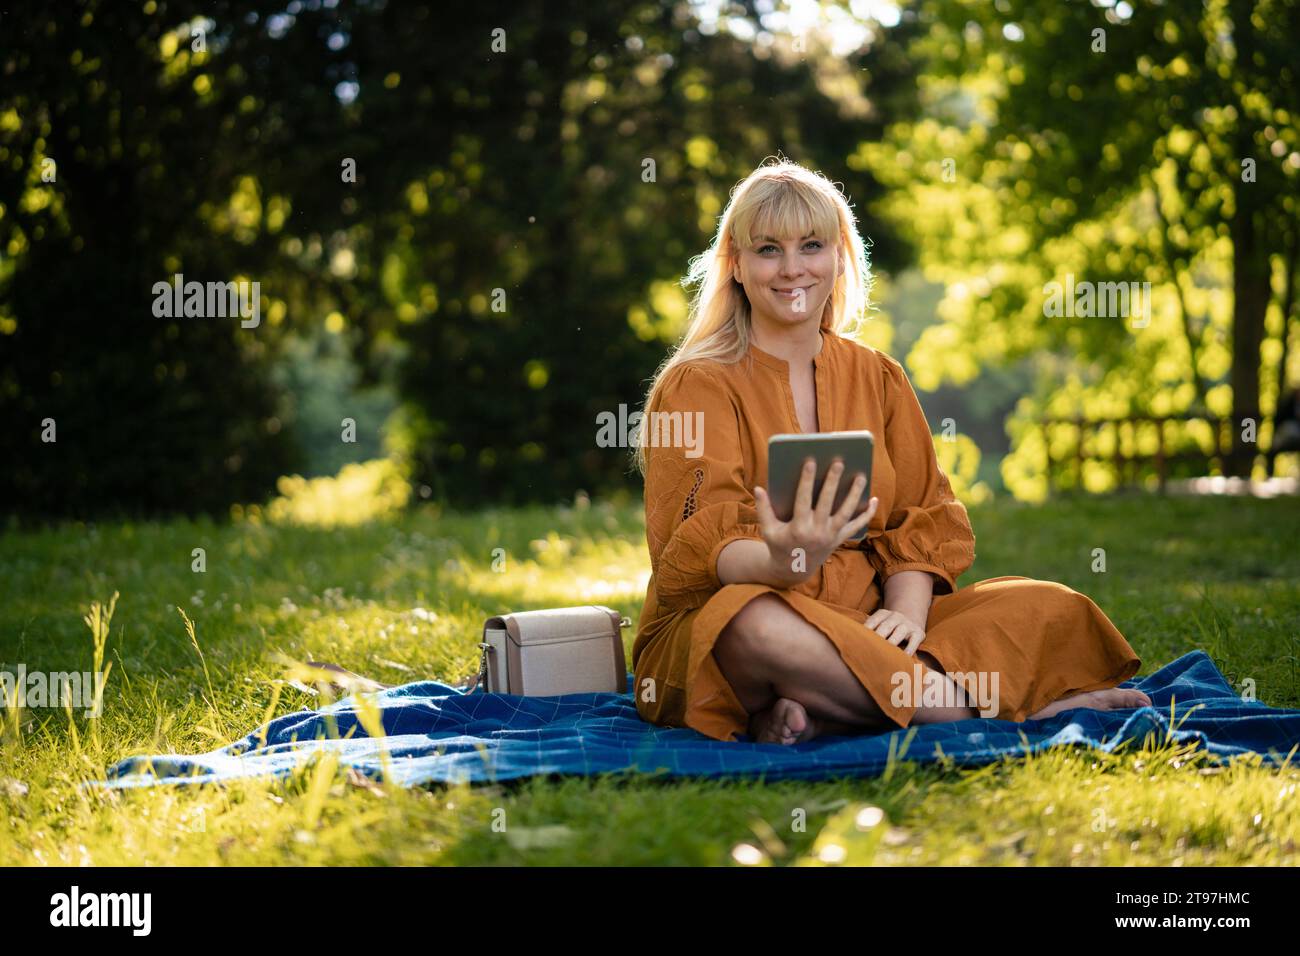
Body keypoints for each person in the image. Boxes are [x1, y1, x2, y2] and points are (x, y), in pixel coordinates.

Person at [630, 158, 1151, 745]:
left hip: (870, 618)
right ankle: (984, 711)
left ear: (839, 257)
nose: (793, 268)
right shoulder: (696, 384)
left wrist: (905, 615)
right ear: (736, 265)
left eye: (811, 245)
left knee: (1048, 604)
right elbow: (693, 547)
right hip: (748, 610)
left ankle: (821, 708)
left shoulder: (878, 376)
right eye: (768, 249)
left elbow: (921, 517)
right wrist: (786, 560)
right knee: (749, 624)